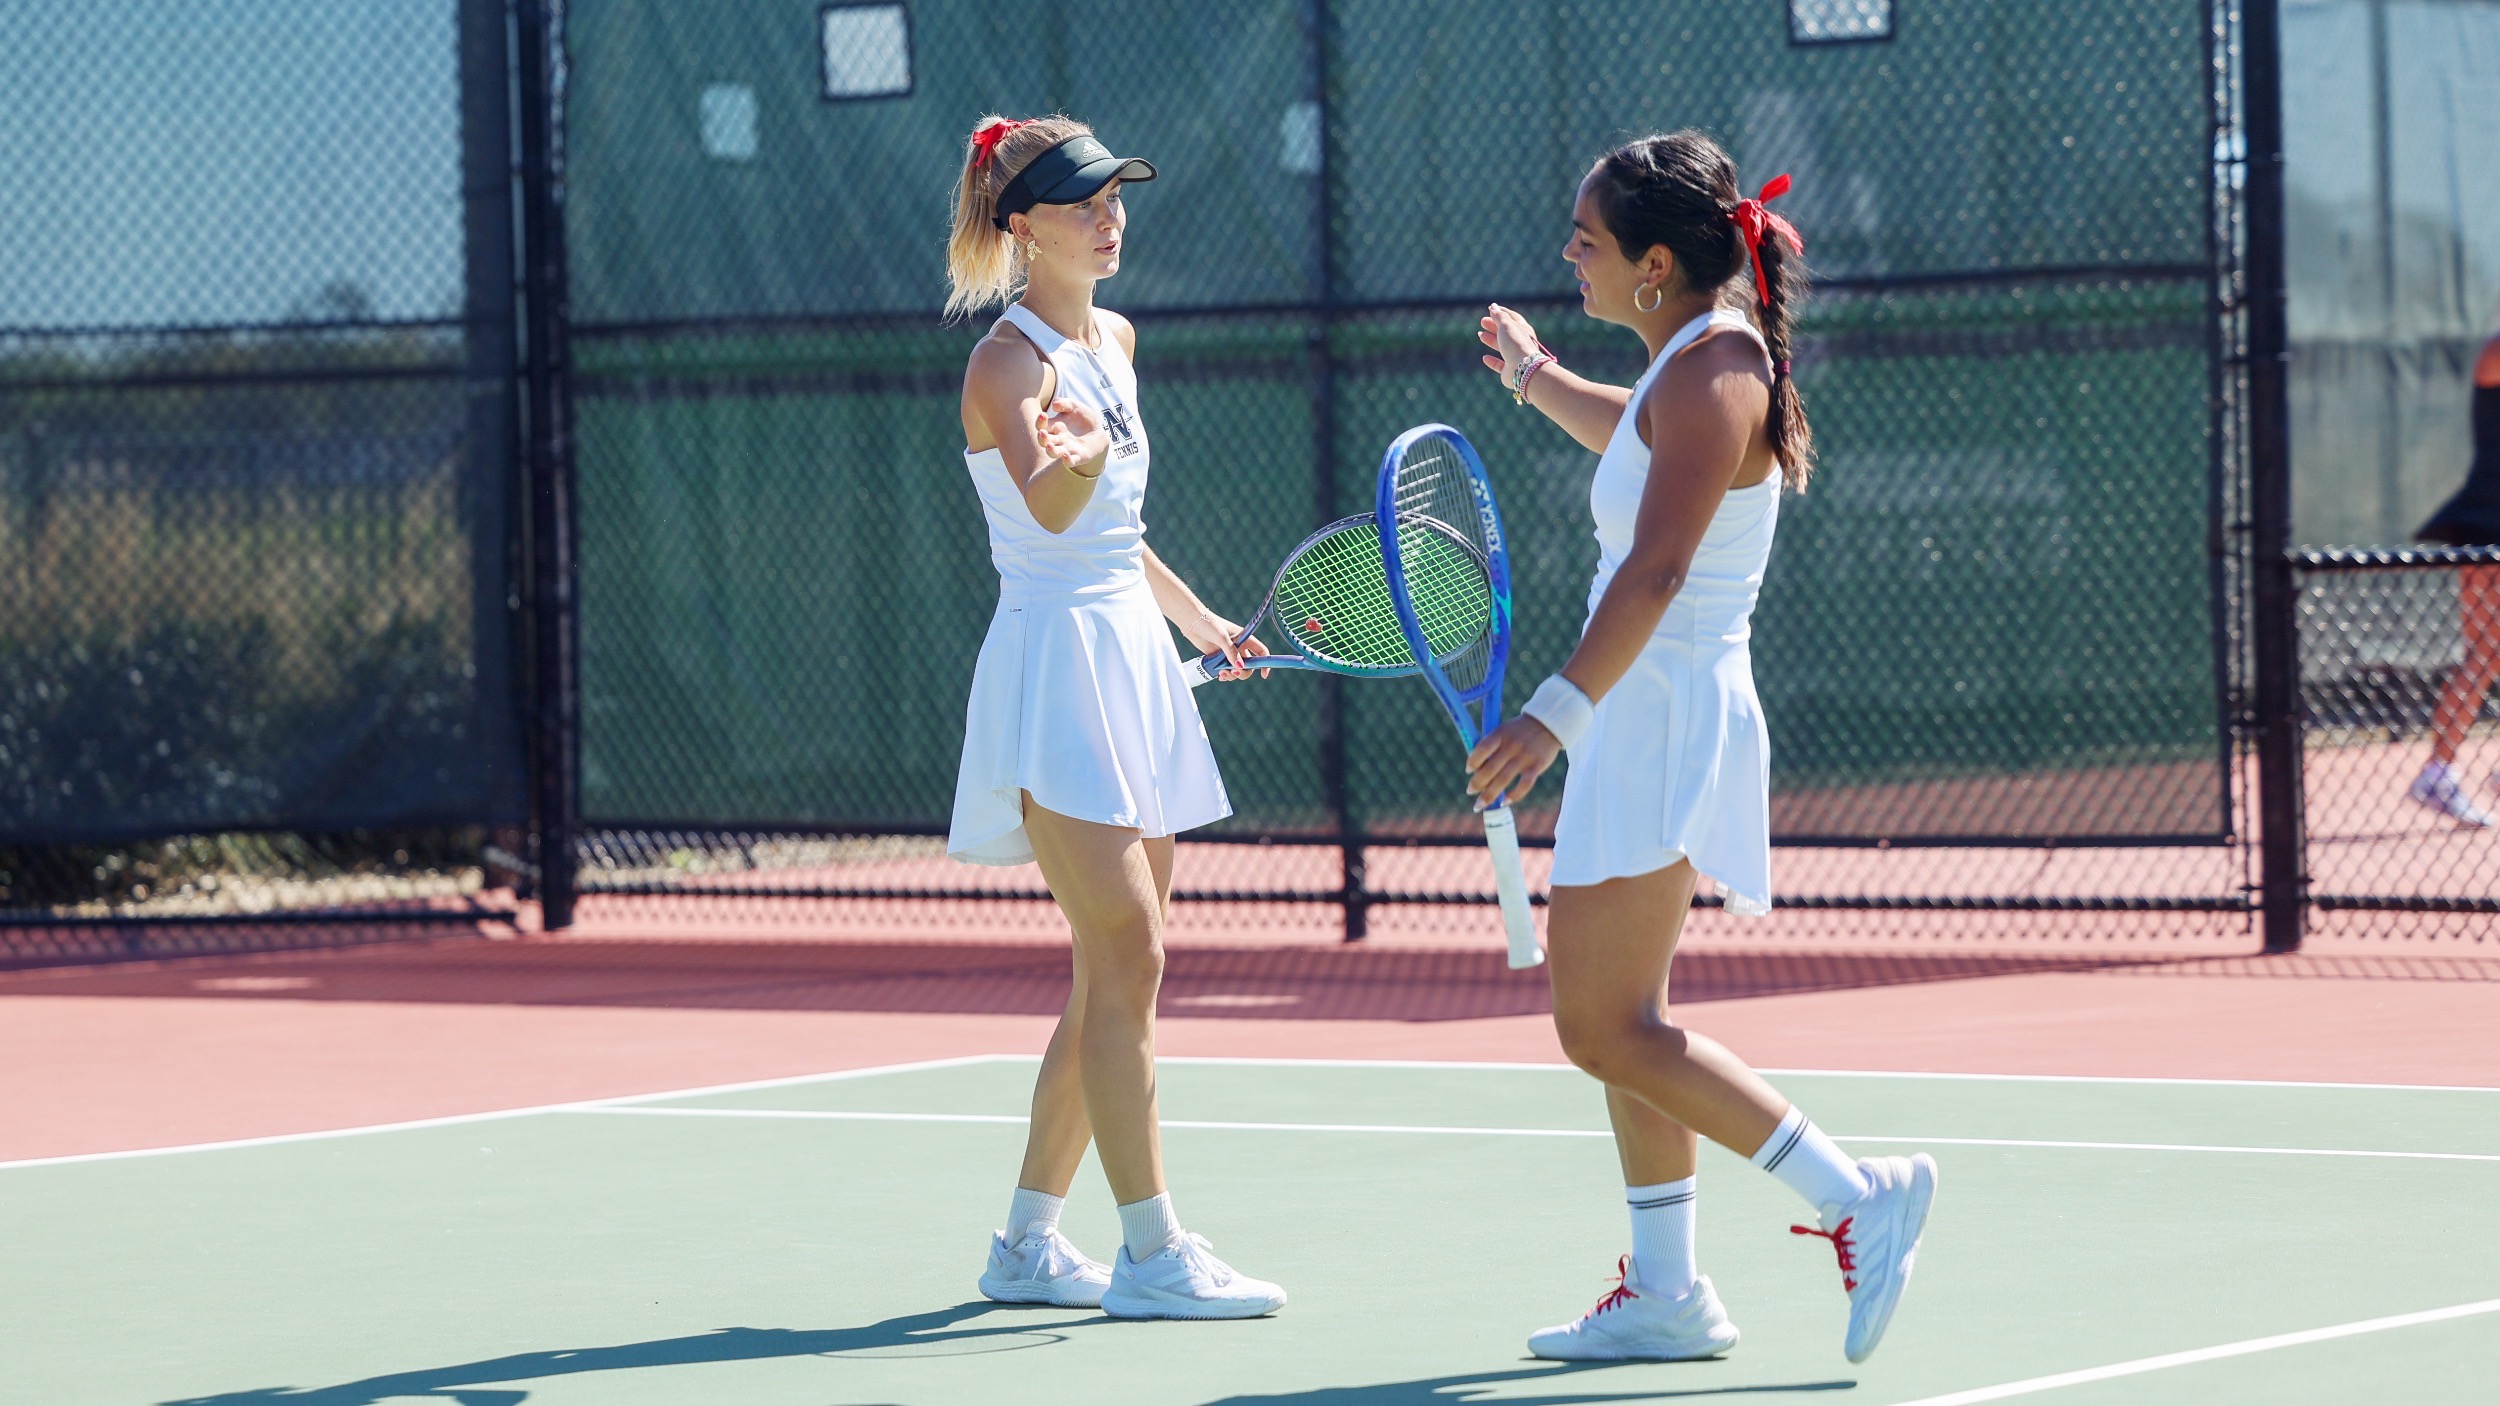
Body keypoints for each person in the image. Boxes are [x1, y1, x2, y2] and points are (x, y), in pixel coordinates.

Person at [1464, 132, 1935, 1365]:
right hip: (1644, 706)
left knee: (1600, 1028)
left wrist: (1549, 716)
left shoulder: (1720, 361)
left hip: (1657, 707)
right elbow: (1641, 439)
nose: (1568, 250)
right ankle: (1667, 1290)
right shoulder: (1690, 361)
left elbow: (1660, 566)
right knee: (1628, 1013)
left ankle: (1855, 1192)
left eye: (1588, 237)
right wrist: (1534, 375)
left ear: (1657, 261)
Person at [943, 113, 1284, 1320]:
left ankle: (1026, 1246)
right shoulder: (1005, 365)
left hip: (1133, 656)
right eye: (1082, 199)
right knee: (1129, 953)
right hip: (1055, 671)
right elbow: (1049, 512)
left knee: (1110, 976)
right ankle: (1150, 1251)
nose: (1109, 215)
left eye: (1115, 195)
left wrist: (1201, 623)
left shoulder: (1117, 337)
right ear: (1019, 223)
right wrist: (1077, 454)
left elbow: (1117, 532)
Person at [2406, 327, 2500, 828]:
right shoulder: (2494, 351)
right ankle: (2437, 773)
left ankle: (2440, 772)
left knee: (2488, 653)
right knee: (2485, 652)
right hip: (2489, 523)